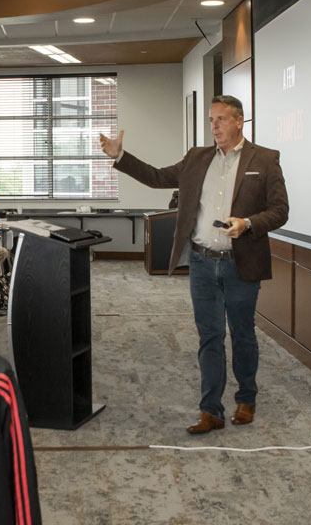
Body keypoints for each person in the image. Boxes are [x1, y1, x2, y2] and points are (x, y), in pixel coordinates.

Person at [100, 95, 289, 434]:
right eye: (211, 120)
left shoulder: (265, 159)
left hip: (240, 262)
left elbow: (280, 210)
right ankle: (211, 410)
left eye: (221, 119)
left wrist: (247, 223)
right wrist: (120, 157)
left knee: (242, 334)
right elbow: (158, 177)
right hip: (203, 262)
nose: (214, 126)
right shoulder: (197, 158)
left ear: (239, 121)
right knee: (210, 337)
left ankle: (247, 397)